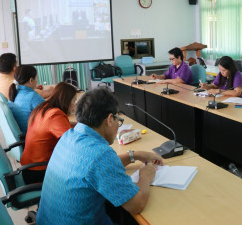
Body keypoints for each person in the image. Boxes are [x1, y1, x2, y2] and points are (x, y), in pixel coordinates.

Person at [36, 88, 162, 224]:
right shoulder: (101, 154)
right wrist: (145, 176)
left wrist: (134, 155)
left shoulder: (69, 136)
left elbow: (96, 169)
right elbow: (136, 205)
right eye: (118, 120)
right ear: (109, 119)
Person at [20, 82, 77, 184]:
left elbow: (63, 127)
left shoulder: (44, 107)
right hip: (39, 172)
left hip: (30, 168)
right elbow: (74, 144)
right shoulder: (55, 115)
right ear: (66, 101)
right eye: (74, 101)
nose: (74, 106)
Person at [8, 65, 44, 134]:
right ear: (31, 80)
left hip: (22, 132)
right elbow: (49, 114)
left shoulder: (13, 93)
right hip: (32, 135)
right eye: (36, 78)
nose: (37, 81)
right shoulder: (32, 96)